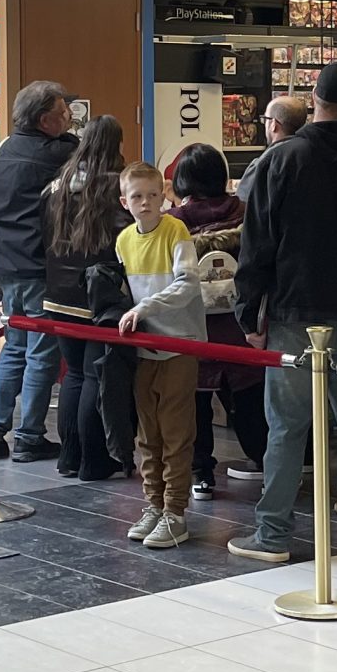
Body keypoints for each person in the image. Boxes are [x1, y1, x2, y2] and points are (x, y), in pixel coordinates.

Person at [231, 60, 337, 563]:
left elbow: (256, 243)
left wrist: (247, 311)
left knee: (287, 424)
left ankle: (274, 534)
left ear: (314, 101)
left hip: (292, 313)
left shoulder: (282, 160)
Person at [168, 142, 268, 499]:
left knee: (195, 407)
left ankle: (201, 476)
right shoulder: (244, 212)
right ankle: (267, 463)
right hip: (242, 328)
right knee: (250, 401)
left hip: (195, 329)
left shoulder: (175, 224)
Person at [116, 161, 205, 549]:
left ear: (164, 193)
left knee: (176, 433)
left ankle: (175, 511)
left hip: (178, 345)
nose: (147, 202)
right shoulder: (123, 241)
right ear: (125, 202)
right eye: (137, 196)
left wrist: (144, 309)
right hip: (144, 349)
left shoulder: (176, 230)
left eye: (154, 195)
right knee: (147, 433)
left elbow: (186, 283)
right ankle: (153, 504)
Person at [0, 81, 76, 461]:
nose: (69, 119)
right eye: (63, 113)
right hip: (42, 265)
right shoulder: (60, 153)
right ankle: (29, 435)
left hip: (7, 266)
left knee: (15, 349)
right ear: (44, 120)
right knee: (43, 353)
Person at [45, 114, 132, 482]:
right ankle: (94, 461)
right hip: (98, 295)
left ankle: (69, 456)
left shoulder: (59, 184)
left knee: (74, 375)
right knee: (98, 376)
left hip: (58, 292)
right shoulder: (115, 187)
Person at [237, 93, 310, 191]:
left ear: (273, 124)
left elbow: (244, 202)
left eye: (266, 119)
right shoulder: (315, 155)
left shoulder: (265, 163)